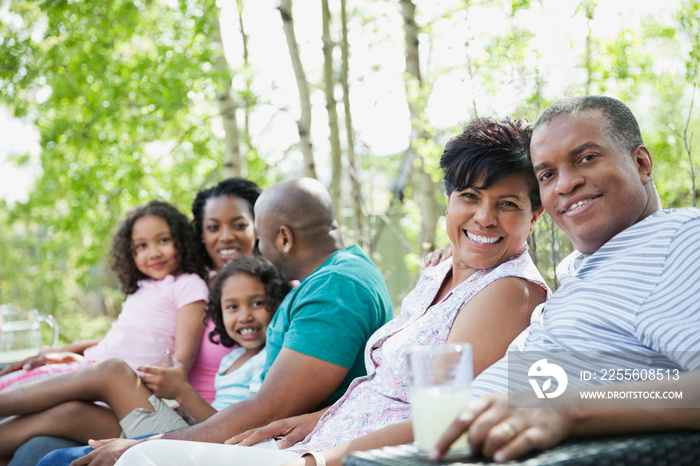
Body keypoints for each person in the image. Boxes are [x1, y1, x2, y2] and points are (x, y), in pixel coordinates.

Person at [88, 117, 551, 466]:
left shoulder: (507, 292)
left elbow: (443, 423)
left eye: (506, 204)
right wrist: (318, 420)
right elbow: (383, 387)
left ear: (535, 217)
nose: (484, 218)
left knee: (136, 459)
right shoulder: (444, 269)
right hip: (319, 437)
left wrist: (321, 457)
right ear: (450, 200)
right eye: (470, 197)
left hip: (344, 458)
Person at [426, 95, 700, 462]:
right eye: (547, 175)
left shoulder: (681, 239)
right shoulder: (587, 267)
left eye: (586, 158)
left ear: (641, 164)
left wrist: (568, 410)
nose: (565, 185)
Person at [48, 177, 393, 465]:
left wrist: (147, 443)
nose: (258, 247)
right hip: (244, 434)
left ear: (284, 238)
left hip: (274, 448)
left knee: (58, 460)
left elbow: (270, 408)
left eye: (260, 236)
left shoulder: (336, 289)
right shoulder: (340, 274)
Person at [0, 255, 290, 459]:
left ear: (276, 305)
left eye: (257, 303)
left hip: (202, 445)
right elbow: (218, 413)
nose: (245, 316)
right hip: (190, 431)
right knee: (70, 412)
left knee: (113, 371)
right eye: (232, 307)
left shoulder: (267, 360)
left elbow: (242, 431)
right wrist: (181, 407)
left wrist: (183, 393)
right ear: (220, 313)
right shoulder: (231, 360)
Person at [0, 201, 208, 392]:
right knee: (17, 380)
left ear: (182, 241)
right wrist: (66, 352)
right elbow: (121, 339)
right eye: (142, 246)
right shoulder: (142, 288)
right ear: (131, 252)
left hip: (123, 387)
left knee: (22, 392)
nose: (153, 253)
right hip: (92, 367)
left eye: (163, 240)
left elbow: (183, 358)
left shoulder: (189, 285)